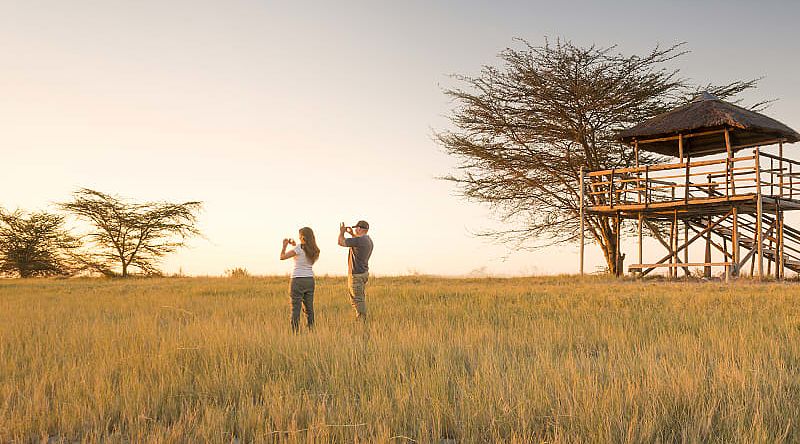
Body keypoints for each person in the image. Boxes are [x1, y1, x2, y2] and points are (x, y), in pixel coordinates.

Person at [280, 227, 320, 333]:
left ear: (302, 237)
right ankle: (311, 330)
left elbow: (282, 257)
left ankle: (295, 333)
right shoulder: (314, 250)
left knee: (295, 308)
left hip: (297, 280)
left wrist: (284, 246)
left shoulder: (299, 248)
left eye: (299, 235)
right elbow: (301, 254)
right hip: (309, 280)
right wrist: (294, 245)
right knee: (309, 308)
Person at [338, 220, 373, 320]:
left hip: (356, 275)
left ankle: (361, 321)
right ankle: (361, 319)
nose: (355, 230)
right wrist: (351, 234)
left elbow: (340, 242)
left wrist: (342, 232)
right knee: (359, 297)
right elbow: (357, 242)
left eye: (356, 228)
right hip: (363, 273)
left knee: (357, 299)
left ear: (360, 229)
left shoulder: (360, 240)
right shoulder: (368, 240)